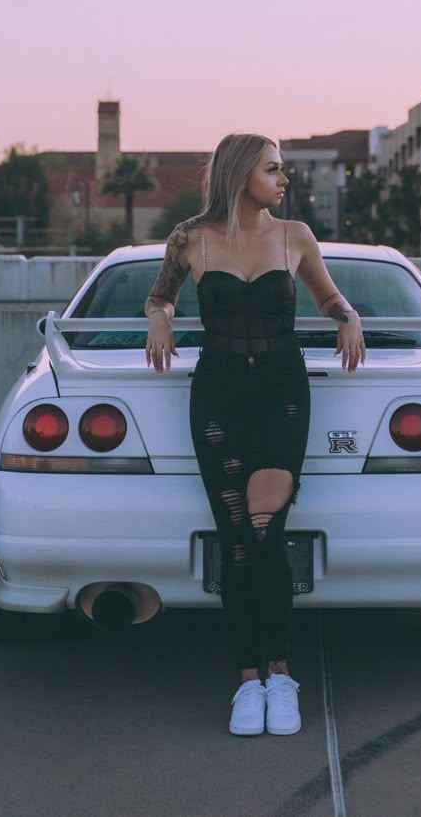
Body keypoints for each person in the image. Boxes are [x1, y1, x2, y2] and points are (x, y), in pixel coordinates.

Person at [144, 133, 365, 736]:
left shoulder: (295, 235)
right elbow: (159, 295)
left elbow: (328, 296)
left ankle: (281, 676)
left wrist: (349, 317)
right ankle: (248, 683)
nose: (283, 179)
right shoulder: (189, 237)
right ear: (243, 174)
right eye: (274, 169)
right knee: (236, 537)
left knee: (267, 533)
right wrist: (159, 321)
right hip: (217, 393)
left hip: (281, 394)